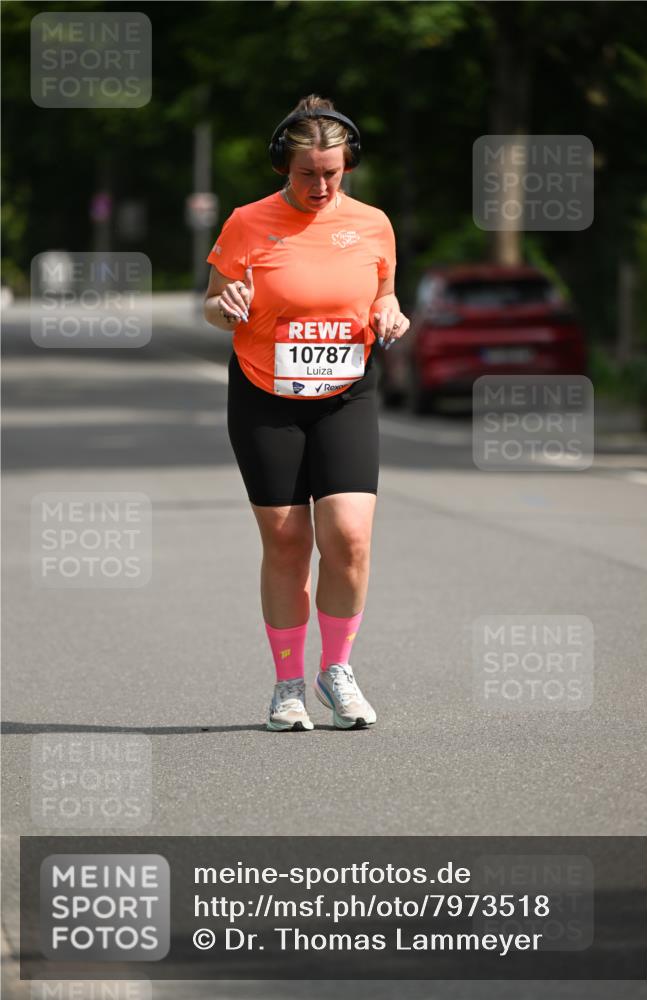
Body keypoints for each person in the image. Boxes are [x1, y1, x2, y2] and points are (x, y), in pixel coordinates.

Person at [203, 94, 410, 732]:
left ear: (348, 165)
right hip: (266, 395)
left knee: (348, 537)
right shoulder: (246, 223)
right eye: (306, 174)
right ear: (281, 169)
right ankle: (288, 685)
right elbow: (213, 304)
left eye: (332, 172)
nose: (320, 185)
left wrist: (391, 313)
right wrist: (227, 301)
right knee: (288, 542)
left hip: (347, 392)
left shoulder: (373, 224)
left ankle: (337, 672)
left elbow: (386, 295)